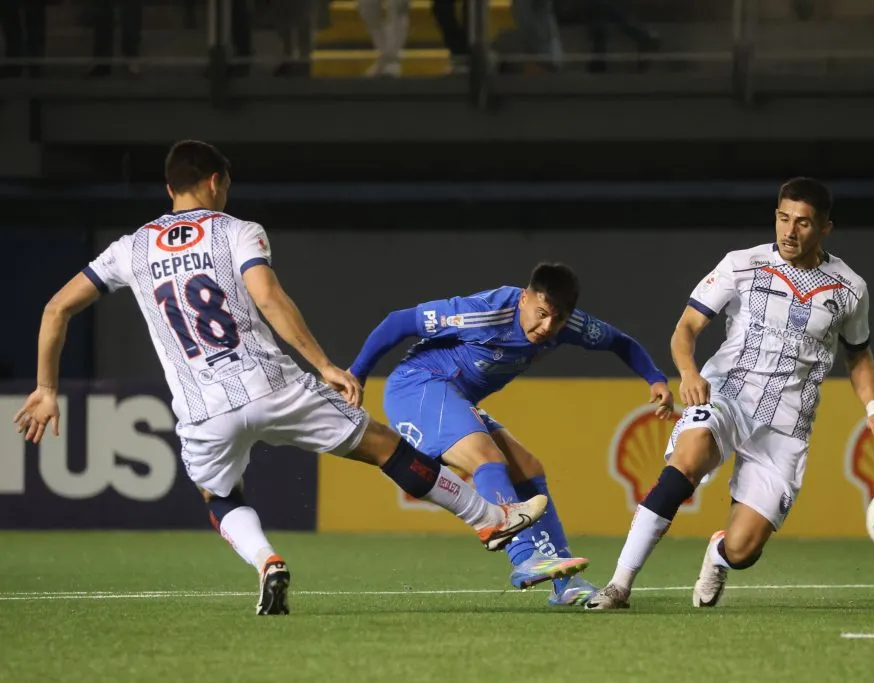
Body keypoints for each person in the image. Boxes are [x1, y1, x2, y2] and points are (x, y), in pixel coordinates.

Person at [12, 140, 548, 616]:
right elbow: (268, 297)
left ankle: (267, 561)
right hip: (272, 385)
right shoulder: (237, 230)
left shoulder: (129, 249)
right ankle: (489, 518)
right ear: (216, 181)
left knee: (216, 495)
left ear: (168, 186)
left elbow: (56, 309)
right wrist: (325, 365)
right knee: (383, 446)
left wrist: (46, 388)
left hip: (203, 409)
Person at [585, 177, 874, 611]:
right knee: (688, 459)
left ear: (825, 227)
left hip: (787, 426)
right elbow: (685, 329)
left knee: (744, 550)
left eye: (803, 223)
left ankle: (718, 556)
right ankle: (618, 586)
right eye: (783, 218)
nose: (789, 231)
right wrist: (689, 372)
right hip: (727, 395)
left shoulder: (849, 289)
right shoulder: (741, 264)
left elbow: (859, 355)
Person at [349, 264, 675, 606]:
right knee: (487, 459)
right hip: (419, 387)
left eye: (558, 320)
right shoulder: (484, 313)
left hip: (455, 398)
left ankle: (567, 585)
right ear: (524, 298)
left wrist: (654, 379)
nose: (548, 327)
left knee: (528, 469)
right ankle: (524, 558)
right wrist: (357, 375)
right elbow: (398, 322)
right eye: (542, 313)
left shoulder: (567, 325)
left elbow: (620, 342)